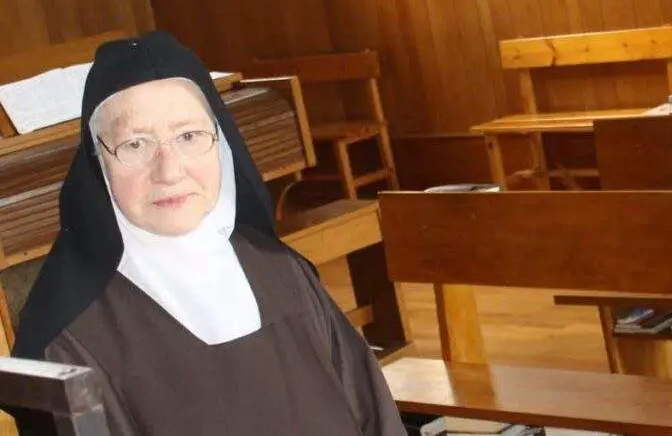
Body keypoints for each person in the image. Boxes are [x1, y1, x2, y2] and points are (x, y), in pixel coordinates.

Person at [10, 31, 406, 435]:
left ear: (222, 144)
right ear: (98, 162)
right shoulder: (69, 340)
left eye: (189, 136)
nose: (169, 170)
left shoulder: (283, 272)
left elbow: (374, 416)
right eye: (135, 144)